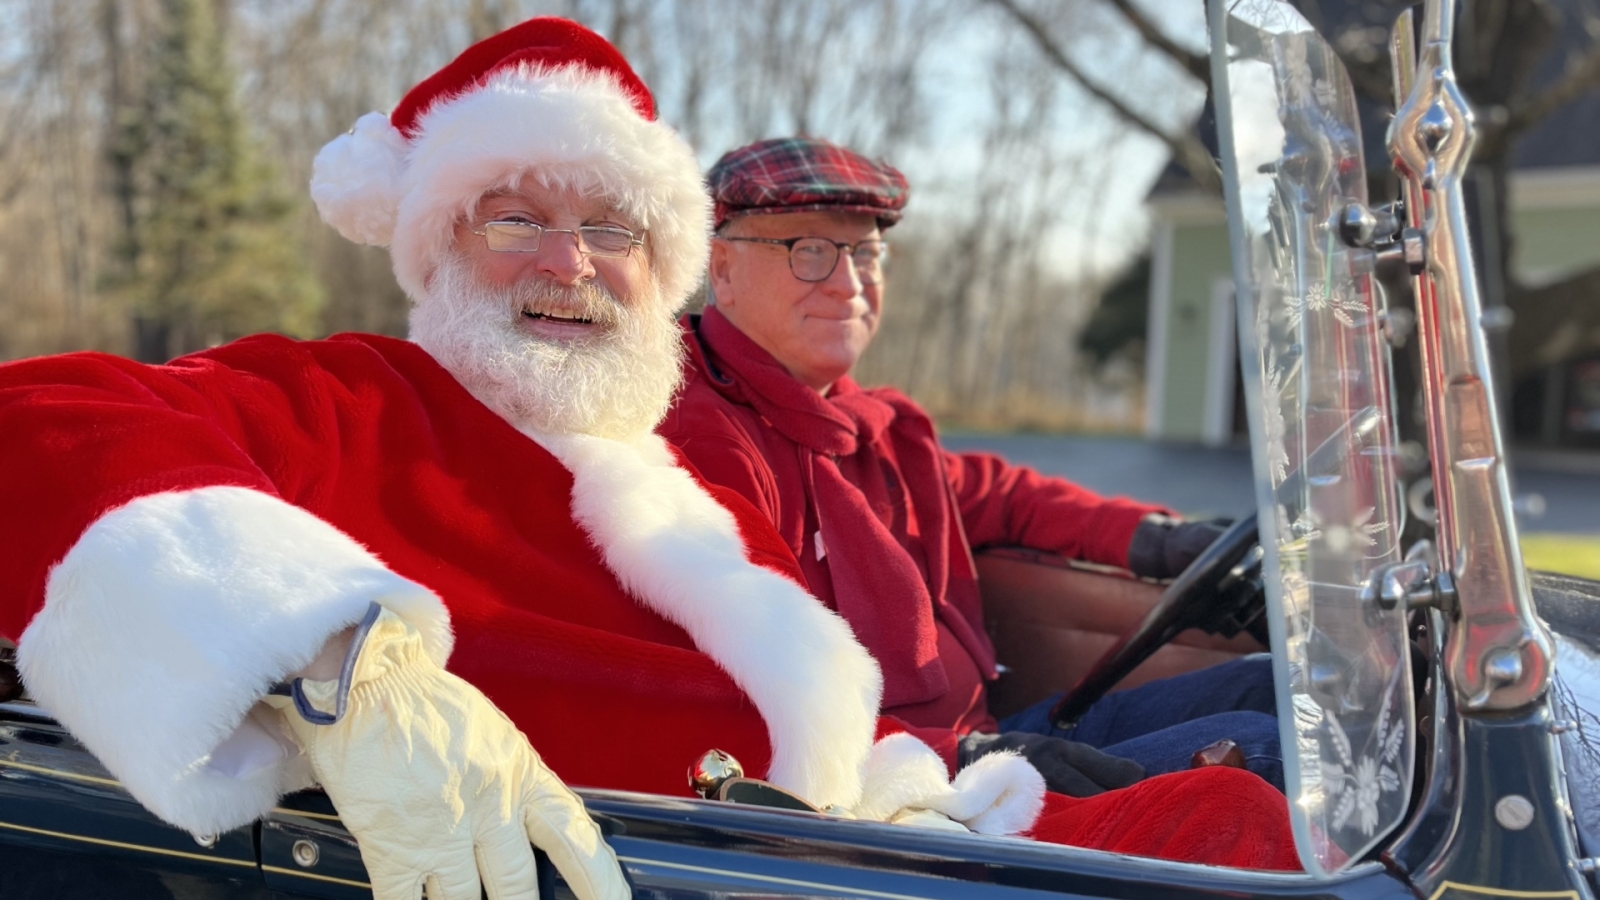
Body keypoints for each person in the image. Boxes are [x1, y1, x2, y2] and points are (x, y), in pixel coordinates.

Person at [0, 21, 1297, 896]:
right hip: (655, 867)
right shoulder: (358, 395)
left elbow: (851, 706)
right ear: (437, 245)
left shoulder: (675, 485)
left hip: (850, 836)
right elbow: (39, 421)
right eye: (516, 216)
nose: (570, 262)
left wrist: (951, 781)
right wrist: (347, 671)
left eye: (612, 228)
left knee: (1260, 817)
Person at [660, 136, 1283, 798]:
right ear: (722, 268)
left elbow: (1005, 496)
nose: (849, 284)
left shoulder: (871, 428)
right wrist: (961, 757)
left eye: (866, 252)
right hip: (901, 794)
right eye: (809, 251)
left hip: (988, 741)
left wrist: (1161, 540)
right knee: (1268, 753)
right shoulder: (700, 443)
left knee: (1273, 686)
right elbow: (751, 699)